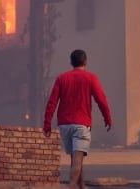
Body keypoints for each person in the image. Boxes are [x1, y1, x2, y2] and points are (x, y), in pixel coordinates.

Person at [43, 49, 112, 189]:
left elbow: (52, 102)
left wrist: (47, 123)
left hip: (65, 125)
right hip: (81, 124)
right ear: (85, 61)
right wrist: (107, 118)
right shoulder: (91, 78)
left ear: (71, 62)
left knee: (76, 158)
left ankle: (81, 185)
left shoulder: (62, 78)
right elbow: (101, 100)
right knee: (77, 160)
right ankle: (72, 186)